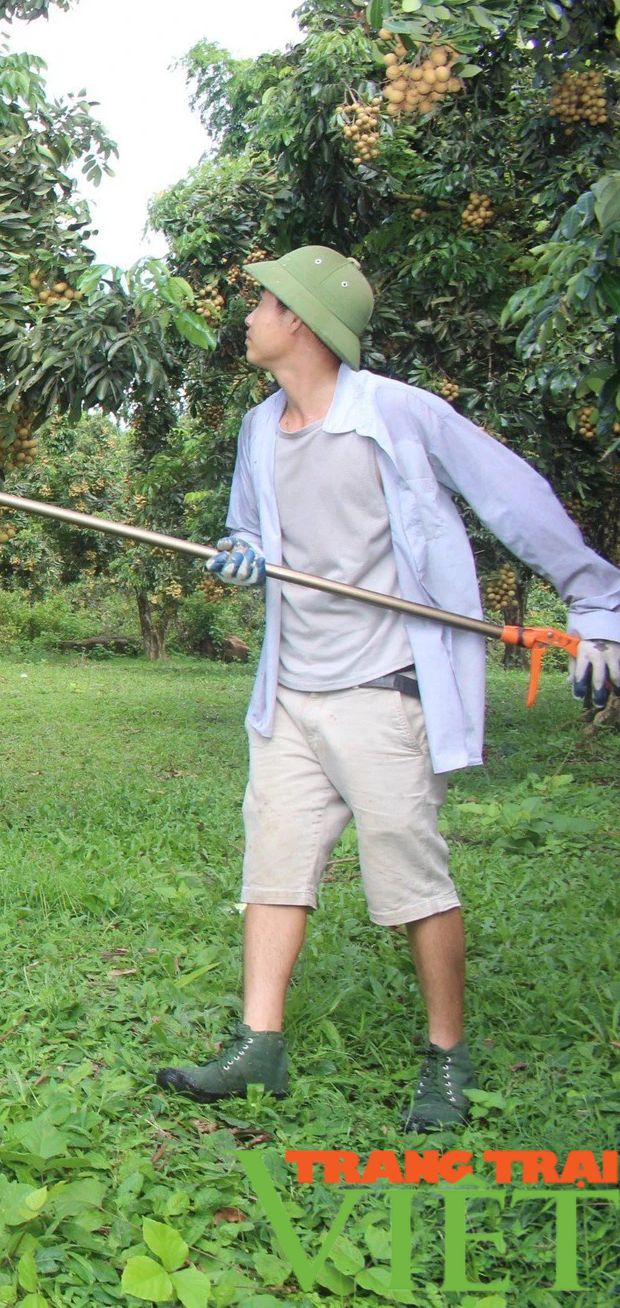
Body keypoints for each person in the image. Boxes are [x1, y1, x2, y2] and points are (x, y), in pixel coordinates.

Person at [156, 246, 620, 1130]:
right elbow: (251, 528)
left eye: (262, 300)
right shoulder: (260, 429)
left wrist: (600, 603)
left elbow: (513, 499)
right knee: (275, 861)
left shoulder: (398, 414)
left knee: (410, 870)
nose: (248, 315)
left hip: (384, 685)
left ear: (300, 319)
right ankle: (260, 1044)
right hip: (292, 687)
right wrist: (241, 553)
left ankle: (448, 1054)